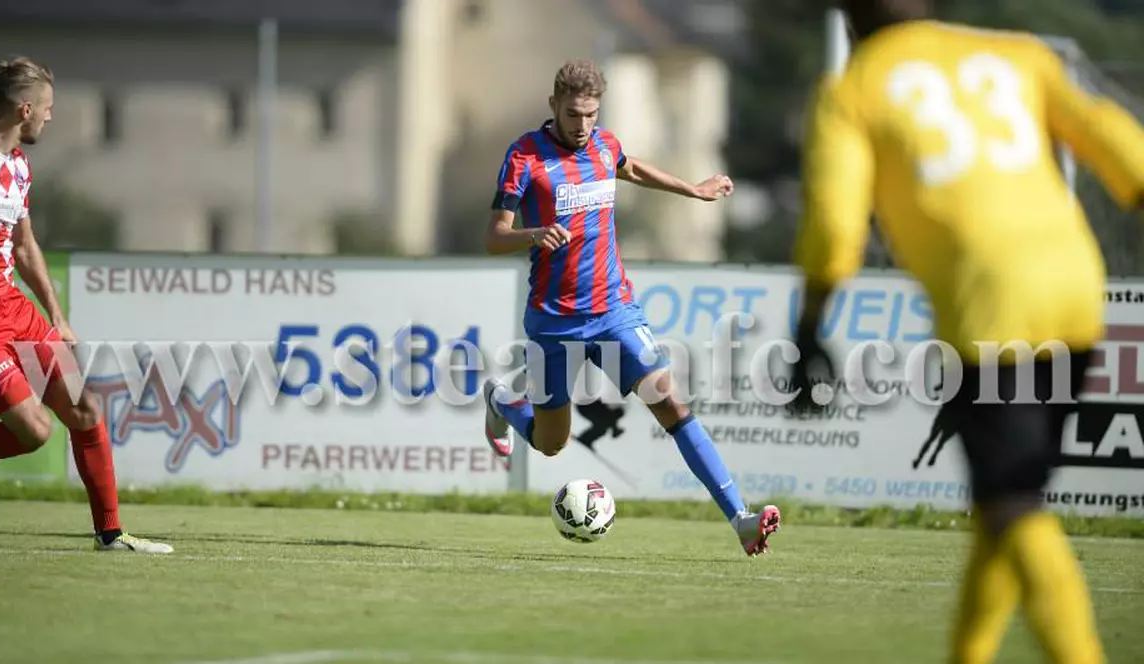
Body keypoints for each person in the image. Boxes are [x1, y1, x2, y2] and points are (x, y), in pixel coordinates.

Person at [791, 1, 1144, 661]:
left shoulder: (855, 89)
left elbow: (835, 228)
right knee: (1004, 504)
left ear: (847, 19)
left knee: (1014, 504)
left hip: (991, 306)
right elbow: (1110, 134)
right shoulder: (1017, 55)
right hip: (1076, 286)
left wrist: (809, 324)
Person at [480, 60, 780, 557]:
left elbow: (632, 167)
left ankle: (742, 520)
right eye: (574, 114)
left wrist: (694, 189)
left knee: (672, 405)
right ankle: (504, 404)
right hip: (553, 321)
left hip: (614, 312)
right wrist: (534, 234)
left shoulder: (603, 145)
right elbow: (493, 237)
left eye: (592, 115)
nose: (583, 126)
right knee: (552, 443)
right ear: (553, 105)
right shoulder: (524, 157)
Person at [0, 57, 172, 554]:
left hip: (11, 304)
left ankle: (111, 535)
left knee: (87, 410)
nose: (50, 118)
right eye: (47, 110)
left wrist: (56, 315)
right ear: (25, 109)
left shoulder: (20, 168)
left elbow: (24, 247)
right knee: (35, 431)